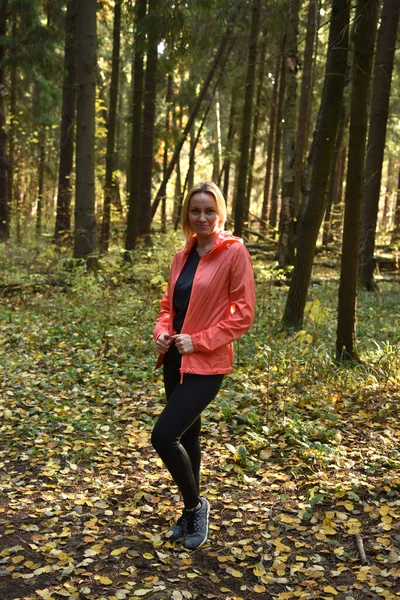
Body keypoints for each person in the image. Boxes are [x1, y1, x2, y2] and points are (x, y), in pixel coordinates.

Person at [152, 181, 255, 550]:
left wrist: (199, 340)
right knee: (188, 437)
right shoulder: (182, 255)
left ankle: (197, 507)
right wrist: (163, 332)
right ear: (187, 215)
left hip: (207, 364)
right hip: (174, 359)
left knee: (163, 436)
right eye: (195, 211)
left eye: (209, 210)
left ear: (220, 213)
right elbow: (169, 307)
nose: (202, 217)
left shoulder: (234, 252)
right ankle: (188, 510)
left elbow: (243, 316)